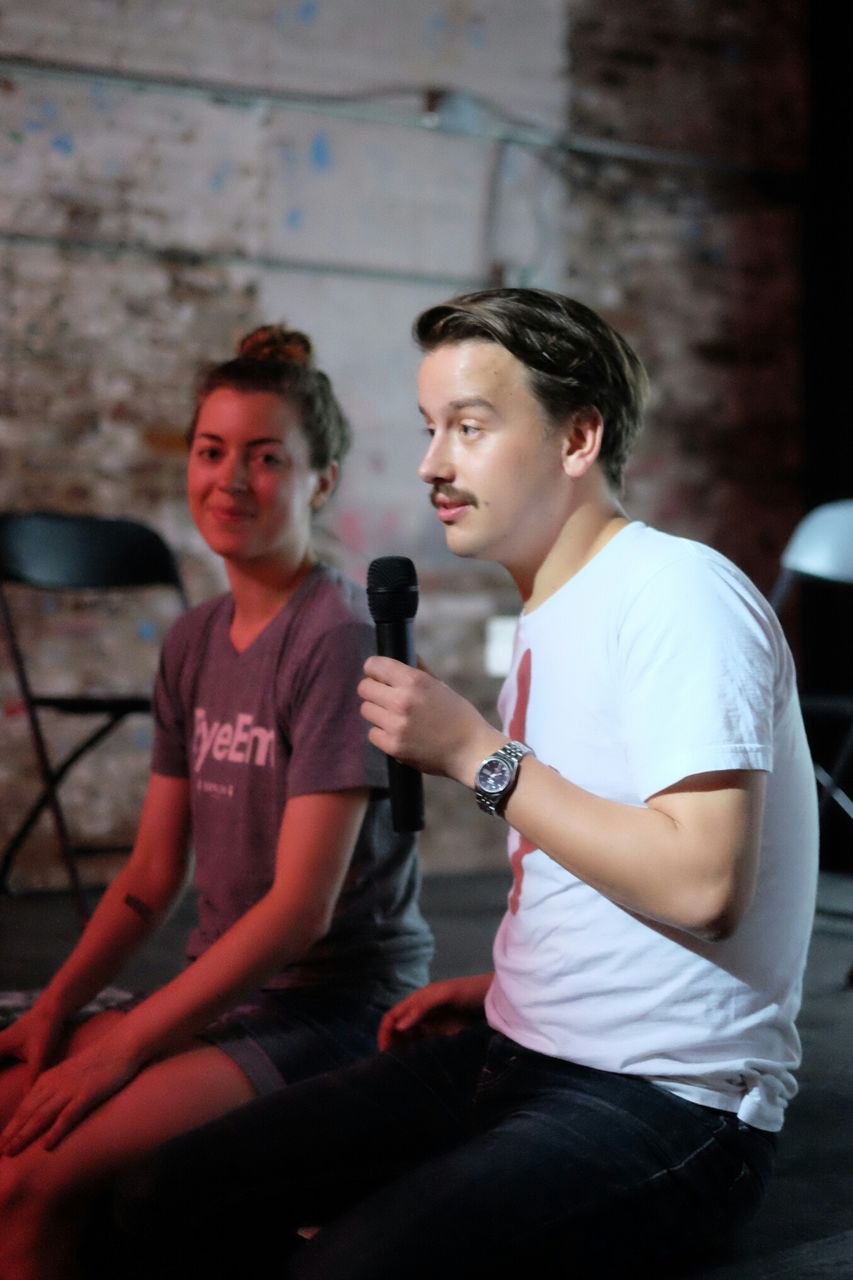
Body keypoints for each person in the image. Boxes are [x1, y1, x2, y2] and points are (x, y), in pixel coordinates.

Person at [111, 289, 818, 1279]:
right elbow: (601, 862)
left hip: (670, 1105)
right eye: (429, 428)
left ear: (579, 435)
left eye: (469, 428)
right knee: (156, 1187)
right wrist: (508, 986)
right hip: (517, 1050)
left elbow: (703, 883)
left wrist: (477, 753)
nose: (431, 463)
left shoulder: (677, 594)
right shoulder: (545, 618)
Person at [0, 324, 432, 1280]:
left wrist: (120, 1051)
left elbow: (297, 913)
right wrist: (58, 1011)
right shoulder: (193, 642)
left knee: (28, 1182)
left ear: (319, 482)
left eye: (266, 457)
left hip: (334, 1012)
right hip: (231, 998)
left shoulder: (337, 637)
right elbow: (153, 877)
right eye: (212, 451)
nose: (230, 479)